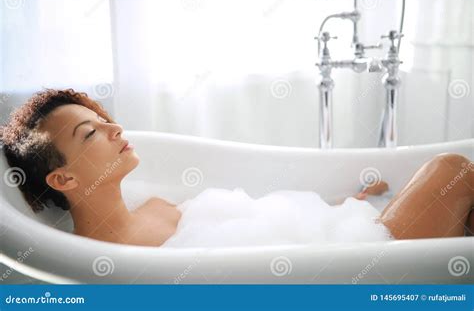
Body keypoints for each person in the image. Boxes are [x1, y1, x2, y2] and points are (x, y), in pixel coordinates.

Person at [1, 89, 473, 247]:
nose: (115, 129)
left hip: (352, 239)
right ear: (63, 179)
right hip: (364, 268)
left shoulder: (160, 206)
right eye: (91, 133)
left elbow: (270, 226)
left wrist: (345, 211)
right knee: (453, 169)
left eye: (104, 120)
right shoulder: (115, 264)